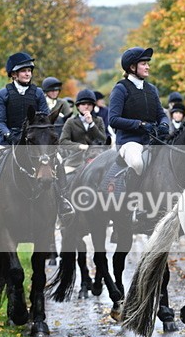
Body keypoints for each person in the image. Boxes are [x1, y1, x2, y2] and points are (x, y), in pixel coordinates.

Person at [0, 52, 75, 225]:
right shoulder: (4, 94)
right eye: (24, 71)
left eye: (29, 71)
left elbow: (44, 118)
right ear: (14, 74)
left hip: (34, 140)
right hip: (8, 139)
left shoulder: (38, 93)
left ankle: (63, 200)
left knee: (59, 160)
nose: (28, 74)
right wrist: (9, 135)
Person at [108, 47, 169, 217]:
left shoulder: (151, 89)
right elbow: (113, 119)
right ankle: (133, 205)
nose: (148, 67)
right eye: (144, 64)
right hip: (129, 141)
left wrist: (164, 124)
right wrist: (139, 124)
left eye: (147, 64)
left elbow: (161, 114)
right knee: (137, 163)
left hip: (151, 140)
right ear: (132, 67)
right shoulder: (121, 89)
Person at [59, 89, 107, 174]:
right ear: (78, 106)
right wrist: (79, 146)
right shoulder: (70, 121)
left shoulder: (99, 120)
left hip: (96, 160)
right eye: (83, 104)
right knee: (64, 182)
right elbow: (63, 142)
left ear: (93, 106)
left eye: (89, 104)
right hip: (75, 162)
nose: (86, 107)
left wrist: (92, 124)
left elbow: (103, 139)